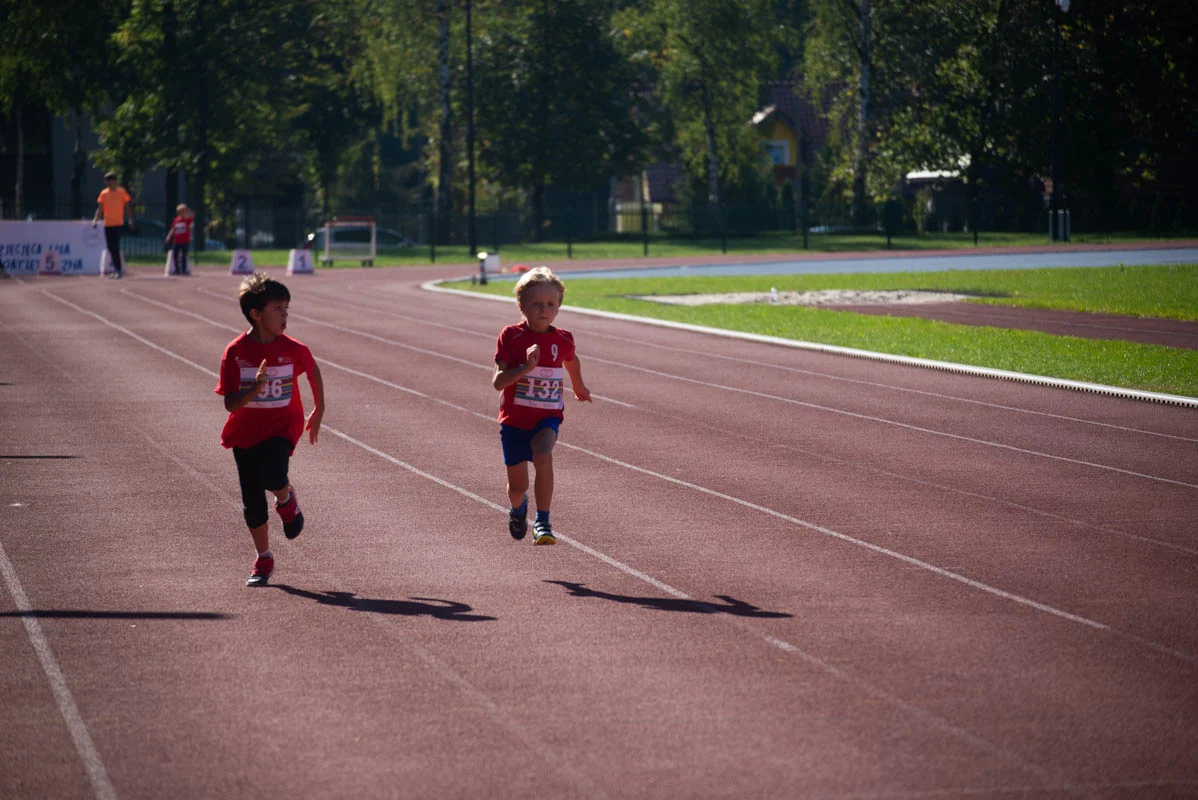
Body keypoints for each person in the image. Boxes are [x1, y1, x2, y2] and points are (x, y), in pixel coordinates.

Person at [215, 272, 325, 586]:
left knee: (274, 476)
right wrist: (255, 388)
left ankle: (287, 500)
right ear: (256, 313)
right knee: (252, 501)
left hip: (282, 425)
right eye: (278, 309)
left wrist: (319, 408)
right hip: (245, 431)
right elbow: (231, 404)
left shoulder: (292, 348)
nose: (285, 315)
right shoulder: (235, 353)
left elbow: (313, 369)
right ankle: (264, 559)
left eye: (286, 309)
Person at [492, 266, 591, 545]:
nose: (543, 310)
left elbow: (571, 359)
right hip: (513, 421)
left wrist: (578, 385)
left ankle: (543, 521)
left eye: (550, 304)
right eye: (536, 304)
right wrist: (525, 367)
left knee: (544, 453)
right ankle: (517, 508)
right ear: (522, 305)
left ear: (558, 307)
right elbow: (498, 382)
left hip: (547, 416)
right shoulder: (510, 336)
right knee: (517, 487)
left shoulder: (563, 338)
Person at [92, 171, 133, 278]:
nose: (110, 183)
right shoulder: (104, 193)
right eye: (108, 181)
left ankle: (118, 270)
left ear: (115, 181)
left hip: (117, 223)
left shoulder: (121, 192)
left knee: (115, 246)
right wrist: (95, 219)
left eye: (111, 180)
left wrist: (130, 219)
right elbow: (100, 208)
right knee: (110, 247)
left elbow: (127, 206)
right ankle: (116, 269)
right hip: (108, 223)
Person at [165, 203, 193, 275]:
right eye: (180, 212)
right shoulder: (176, 220)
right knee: (175, 255)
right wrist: (168, 236)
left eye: (183, 211)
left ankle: (184, 270)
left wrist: (187, 210)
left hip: (185, 241)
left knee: (184, 256)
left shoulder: (187, 220)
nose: (181, 213)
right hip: (177, 241)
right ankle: (177, 270)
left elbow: (192, 215)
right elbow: (173, 229)